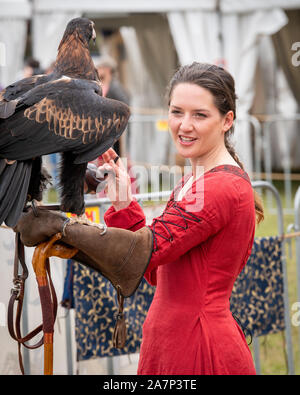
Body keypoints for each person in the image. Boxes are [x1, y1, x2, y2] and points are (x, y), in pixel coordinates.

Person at [15, 62, 264, 375]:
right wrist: (123, 202)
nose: (184, 125)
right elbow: (158, 269)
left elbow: (143, 253)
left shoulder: (221, 186)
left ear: (227, 120)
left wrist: (62, 228)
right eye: (177, 112)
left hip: (199, 347)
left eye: (199, 115)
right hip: (168, 339)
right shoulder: (196, 177)